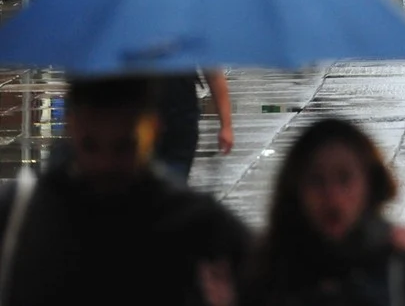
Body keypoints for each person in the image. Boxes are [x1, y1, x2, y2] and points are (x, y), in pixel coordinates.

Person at [0, 77, 249, 305]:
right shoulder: (19, 213)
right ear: (71, 127)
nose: (105, 164)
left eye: (123, 146)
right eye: (91, 145)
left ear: (153, 130)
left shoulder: (202, 229)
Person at [246, 118, 405, 306]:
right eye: (317, 181)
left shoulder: (399, 267)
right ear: (296, 188)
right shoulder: (268, 271)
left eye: (344, 179)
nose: (332, 196)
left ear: (369, 183)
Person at [156, 70, 233, 183]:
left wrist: (226, 126)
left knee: (175, 180)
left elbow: (214, 74)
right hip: (140, 121)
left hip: (179, 124)